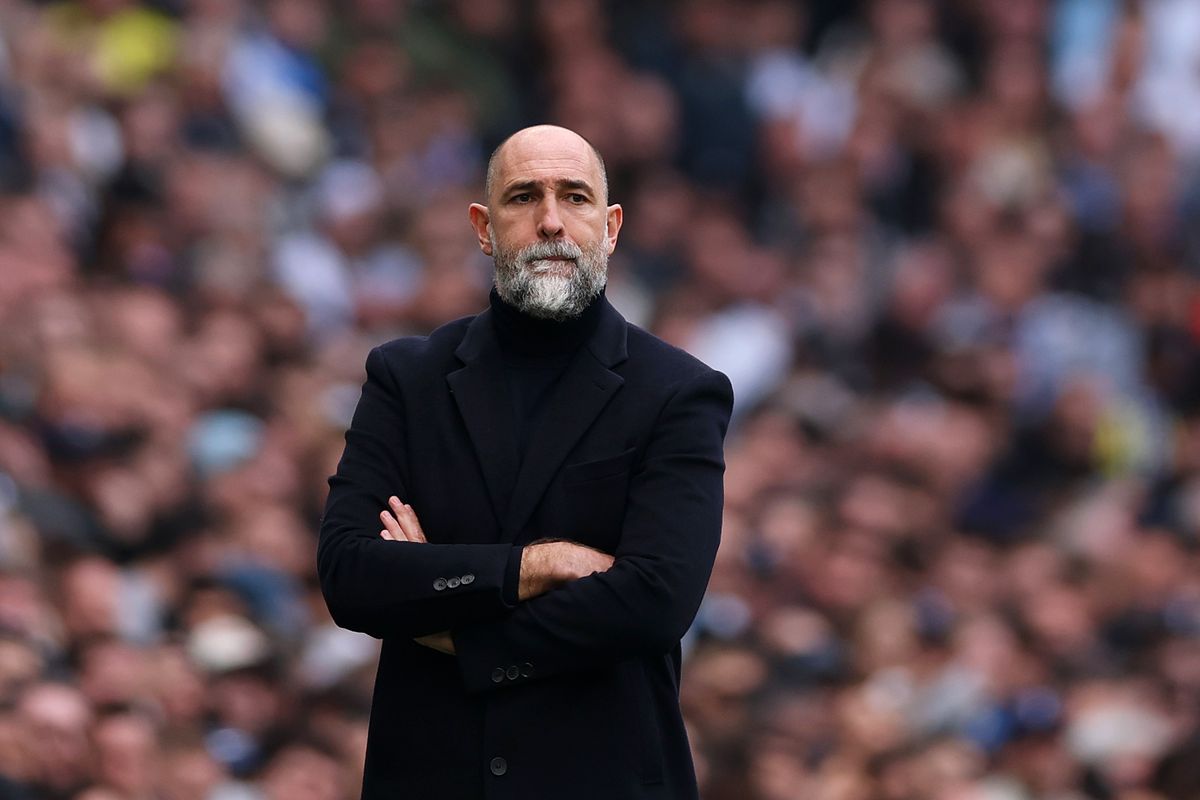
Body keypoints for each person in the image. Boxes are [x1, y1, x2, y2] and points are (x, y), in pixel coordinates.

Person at [318, 124, 733, 799]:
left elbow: (654, 603)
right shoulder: (407, 378)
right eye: (522, 198)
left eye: (574, 197)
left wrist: (451, 627)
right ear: (483, 227)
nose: (549, 221)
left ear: (611, 225)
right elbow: (350, 573)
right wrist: (533, 567)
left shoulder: (679, 392)